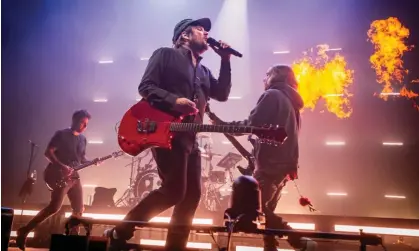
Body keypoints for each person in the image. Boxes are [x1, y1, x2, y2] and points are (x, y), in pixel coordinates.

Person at [104, 18, 232, 251]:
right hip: (166, 132)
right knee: (174, 190)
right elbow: (146, 87)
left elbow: (222, 93)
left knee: (192, 196)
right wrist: (175, 101)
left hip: (190, 137)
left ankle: (175, 247)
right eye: (200, 29)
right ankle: (119, 231)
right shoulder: (164, 54)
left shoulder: (203, 70)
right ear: (184, 35)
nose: (206, 33)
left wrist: (225, 60)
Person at [212, 65, 317, 251]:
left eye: (267, 74)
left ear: (276, 76)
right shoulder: (292, 103)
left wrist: (222, 125)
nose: (264, 78)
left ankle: (299, 240)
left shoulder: (272, 95)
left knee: (254, 207)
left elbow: (252, 125)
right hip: (284, 166)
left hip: (269, 165)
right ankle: (272, 248)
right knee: (267, 214)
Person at [16, 109, 98, 250]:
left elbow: (82, 159)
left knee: (79, 209)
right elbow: (48, 152)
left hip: (74, 177)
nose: (84, 126)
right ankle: (25, 230)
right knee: (54, 207)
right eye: (82, 123)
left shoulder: (83, 140)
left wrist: (93, 161)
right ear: (74, 120)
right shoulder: (61, 135)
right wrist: (62, 166)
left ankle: (73, 243)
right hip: (58, 174)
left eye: (86, 124)